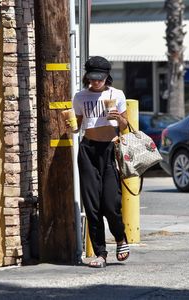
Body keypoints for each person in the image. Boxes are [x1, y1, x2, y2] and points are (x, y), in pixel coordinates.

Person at [65, 56, 130, 268]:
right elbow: (78, 126)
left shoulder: (116, 94)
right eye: (92, 79)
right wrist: (70, 127)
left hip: (110, 150)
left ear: (106, 77)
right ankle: (100, 253)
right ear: (87, 77)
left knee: (111, 204)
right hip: (88, 150)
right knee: (92, 206)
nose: (95, 82)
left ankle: (120, 238)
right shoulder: (80, 97)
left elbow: (124, 126)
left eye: (99, 79)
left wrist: (118, 118)